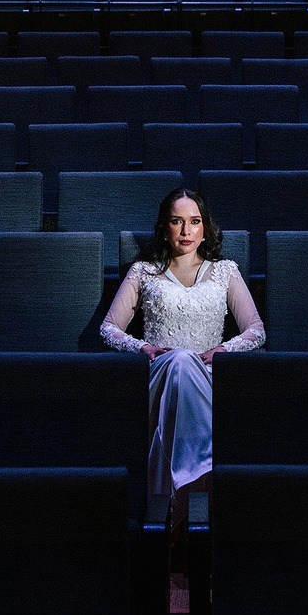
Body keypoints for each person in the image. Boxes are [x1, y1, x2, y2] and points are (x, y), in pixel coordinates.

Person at [99, 187, 265, 501]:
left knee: (187, 363)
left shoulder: (225, 271)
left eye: (195, 221)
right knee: (178, 361)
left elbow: (256, 330)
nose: (186, 231)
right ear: (164, 229)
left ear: (206, 229)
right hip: (158, 372)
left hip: (208, 375)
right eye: (177, 222)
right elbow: (109, 328)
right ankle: (201, 478)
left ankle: (171, 503)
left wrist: (224, 349)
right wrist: (142, 348)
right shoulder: (143, 271)